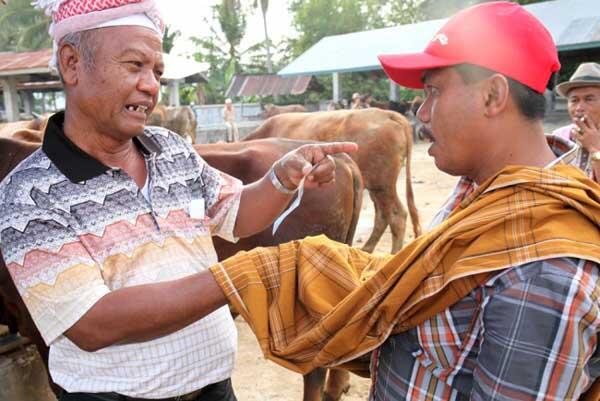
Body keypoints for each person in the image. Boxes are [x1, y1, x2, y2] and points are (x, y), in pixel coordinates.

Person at [119, 2, 600, 400]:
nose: (421, 112)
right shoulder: (484, 195)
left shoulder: (544, 274)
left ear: (494, 96)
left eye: (433, 91)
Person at [0, 1, 356, 400]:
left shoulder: (171, 149)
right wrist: (238, 277)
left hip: (214, 389)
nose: (151, 85)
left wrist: (281, 179)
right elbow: (92, 323)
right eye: (134, 65)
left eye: (157, 71)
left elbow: (234, 214)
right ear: (71, 64)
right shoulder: (27, 196)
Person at [552, 62, 600, 181]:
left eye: (589, 99)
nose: (579, 108)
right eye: (574, 100)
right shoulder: (558, 137)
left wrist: (595, 148)